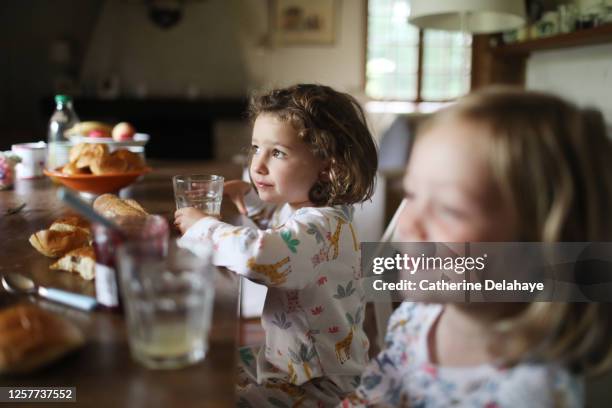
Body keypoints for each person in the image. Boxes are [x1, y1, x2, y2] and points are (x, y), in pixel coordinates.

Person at [341, 87, 612, 407]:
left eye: (449, 210)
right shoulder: (416, 318)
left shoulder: (535, 395)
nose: (408, 225)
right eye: (410, 195)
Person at [175, 84, 378, 406]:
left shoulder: (321, 225)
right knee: (207, 364)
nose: (258, 165)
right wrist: (251, 200)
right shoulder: (308, 208)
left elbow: (262, 255)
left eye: (278, 153)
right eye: (256, 148)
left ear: (327, 166)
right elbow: (281, 229)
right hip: (295, 366)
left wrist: (203, 227)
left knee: (201, 385)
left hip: (317, 386)